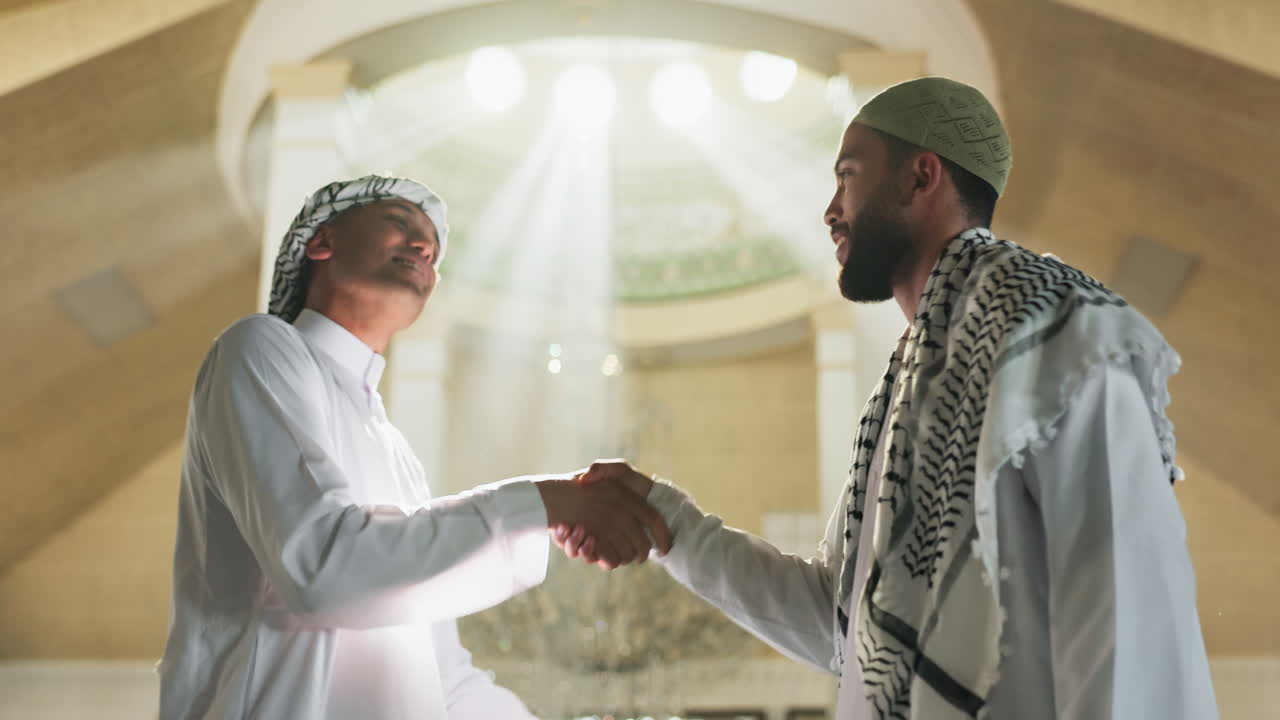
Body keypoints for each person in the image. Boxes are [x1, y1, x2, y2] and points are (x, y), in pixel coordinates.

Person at [561, 78, 1218, 719]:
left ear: (919, 177)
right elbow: (842, 624)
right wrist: (666, 521)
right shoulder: (911, 389)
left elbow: (1130, 613)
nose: (831, 210)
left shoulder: (1056, 327)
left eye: (848, 175)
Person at [158, 175, 672, 719]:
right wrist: (543, 504)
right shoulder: (262, 350)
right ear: (321, 242)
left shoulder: (393, 447)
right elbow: (322, 565)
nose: (425, 247)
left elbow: (443, 675)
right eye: (400, 223)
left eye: (433, 246)